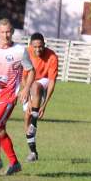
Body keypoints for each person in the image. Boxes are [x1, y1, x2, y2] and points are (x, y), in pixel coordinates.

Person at [0, 18, 34, 176]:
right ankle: (14, 163)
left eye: (8, 32)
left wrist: (26, 89)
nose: (6, 35)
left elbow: (31, 71)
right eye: (2, 32)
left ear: (13, 32)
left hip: (8, 96)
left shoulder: (19, 51)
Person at [23, 32, 58, 162]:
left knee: (36, 86)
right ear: (31, 46)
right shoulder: (26, 53)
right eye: (35, 47)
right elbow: (24, 77)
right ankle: (33, 152)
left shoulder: (52, 56)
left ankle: (35, 119)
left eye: (40, 46)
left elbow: (52, 81)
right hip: (27, 83)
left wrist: (44, 105)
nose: (38, 49)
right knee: (27, 117)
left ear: (44, 45)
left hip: (42, 82)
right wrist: (30, 100)